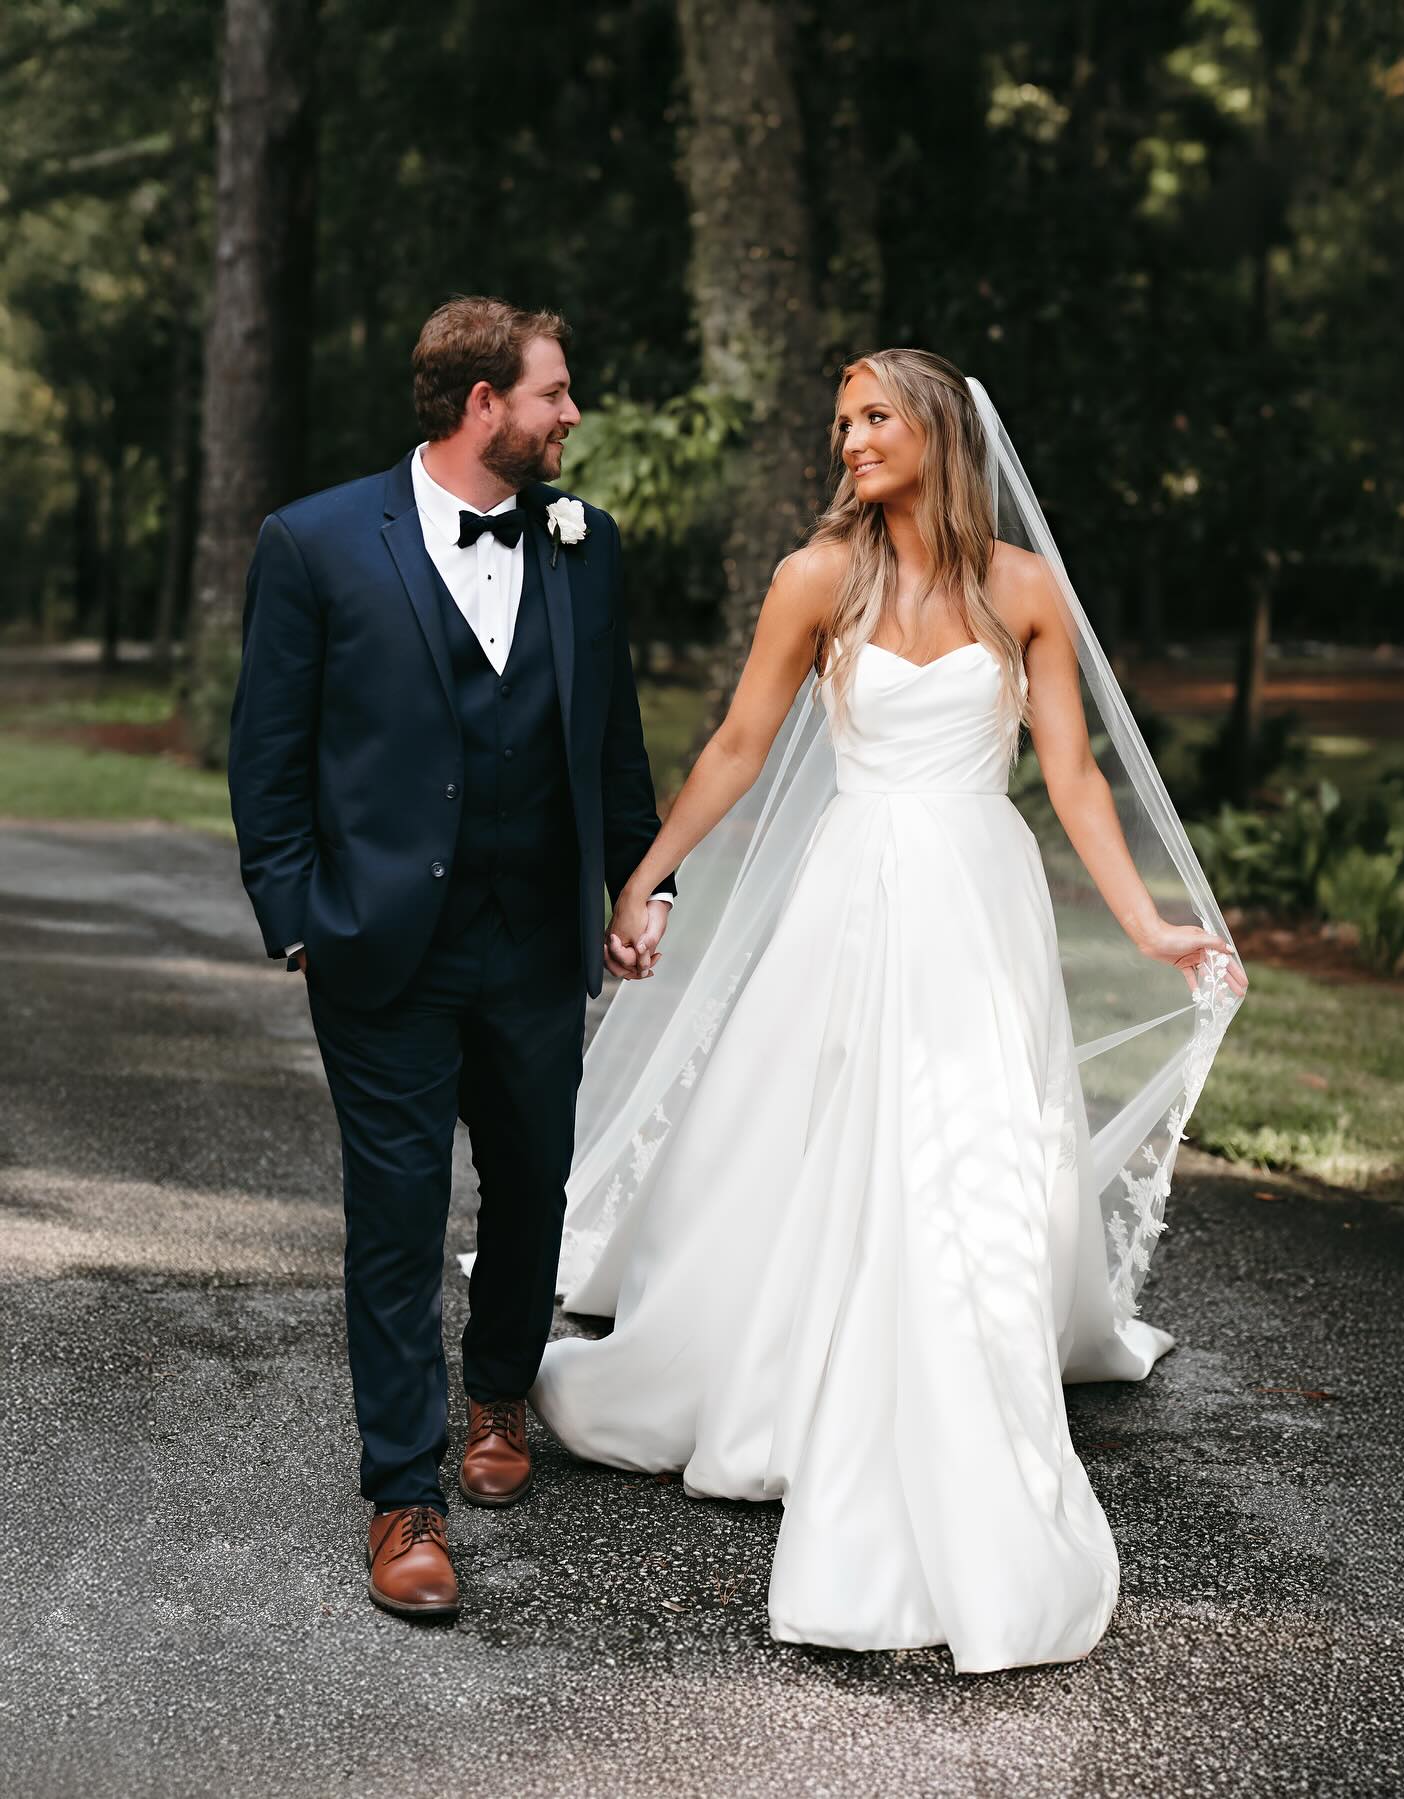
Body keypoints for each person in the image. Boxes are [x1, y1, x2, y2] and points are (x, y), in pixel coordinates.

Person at [531, 349, 1248, 1673]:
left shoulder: (1023, 591)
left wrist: (1150, 925)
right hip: (853, 893)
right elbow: (741, 744)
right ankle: (790, 1369)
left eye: (872, 418)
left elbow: (1075, 781)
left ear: (938, 431)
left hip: (978, 898)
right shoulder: (817, 580)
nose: (849, 439)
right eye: (839, 422)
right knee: (826, 1129)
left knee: (967, 1148)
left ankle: (955, 1358)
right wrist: (645, 875)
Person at [228, 296, 674, 1620]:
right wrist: (296, 912)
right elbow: (272, 748)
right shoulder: (314, 544)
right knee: (399, 1211)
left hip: (536, 940)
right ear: (486, 405)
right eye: (554, 393)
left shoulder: (587, 549)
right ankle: (402, 1500)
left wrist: (641, 883)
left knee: (534, 1184)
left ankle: (500, 1395)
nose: (571, 414)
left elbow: (615, 734)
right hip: (383, 948)